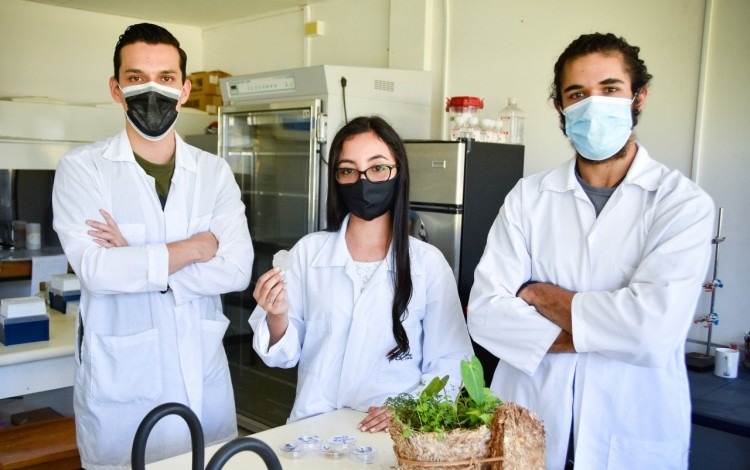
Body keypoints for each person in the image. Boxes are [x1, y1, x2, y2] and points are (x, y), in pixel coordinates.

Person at [467, 33, 715, 469]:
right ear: (561, 107)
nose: (593, 105)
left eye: (610, 89)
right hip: (531, 420)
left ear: (638, 97)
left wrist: (541, 296)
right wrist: (606, 333)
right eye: (577, 94)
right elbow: (485, 313)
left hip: (631, 431)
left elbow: (650, 329)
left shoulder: (682, 203)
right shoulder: (528, 197)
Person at [52, 23, 254, 469]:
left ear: (183, 90)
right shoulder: (83, 170)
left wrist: (139, 259)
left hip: (204, 385)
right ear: (116, 88)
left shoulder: (213, 172)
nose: (152, 90)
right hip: (121, 391)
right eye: (136, 77)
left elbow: (237, 269)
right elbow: (97, 272)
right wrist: (197, 247)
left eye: (165, 78)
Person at [249, 116, 474, 432]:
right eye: (348, 170)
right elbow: (280, 357)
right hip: (313, 432)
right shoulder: (308, 253)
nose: (363, 180)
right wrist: (277, 314)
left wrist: (411, 412)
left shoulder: (428, 264)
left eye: (378, 167)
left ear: (399, 173)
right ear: (337, 178)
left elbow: (452, 362)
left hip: (392, 439)